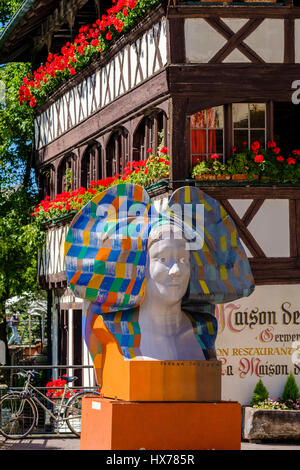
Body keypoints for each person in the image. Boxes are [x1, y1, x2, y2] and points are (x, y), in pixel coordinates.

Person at [65, 183, 255, 386]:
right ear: (141, 268)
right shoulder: (112, 329)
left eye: (183, 260)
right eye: (163, 260)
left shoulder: (203, 330)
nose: (176, 271)